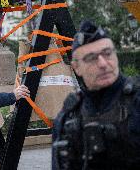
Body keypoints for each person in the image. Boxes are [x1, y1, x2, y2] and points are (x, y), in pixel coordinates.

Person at [52, 20, 140, 170]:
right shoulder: (68, 116)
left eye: (107, 54)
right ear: (76, 68)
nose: (103, 64)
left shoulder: (136, 103)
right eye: (91, 58)